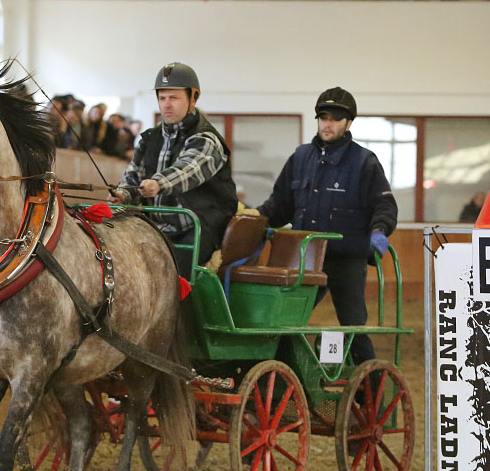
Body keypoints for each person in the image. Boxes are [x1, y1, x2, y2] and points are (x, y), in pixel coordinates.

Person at [257, 88, 398, 367]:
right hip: (306, 259)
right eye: (323, 117)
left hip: (347, 258)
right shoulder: (300, 158)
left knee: (354, 327)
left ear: (348, 123)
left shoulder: (364, 162)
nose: (328, 124)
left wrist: (379, 231)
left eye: (335, 118)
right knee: (288, 322)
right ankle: (292, 378)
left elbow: (384, 205)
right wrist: (254, 217)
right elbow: (280, 204)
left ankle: (370, 390)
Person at [111, 62, 238, 277]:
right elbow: (134, 174)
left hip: (197, 228)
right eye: (162, 98)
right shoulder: (149, 139)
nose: (167, 104)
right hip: (157, 227)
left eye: (174, 98)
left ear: (193, 98)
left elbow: (187, 170)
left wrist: (158, 183)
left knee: (173, 275)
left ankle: (187, 308)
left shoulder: (206, 139)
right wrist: (123, 194)